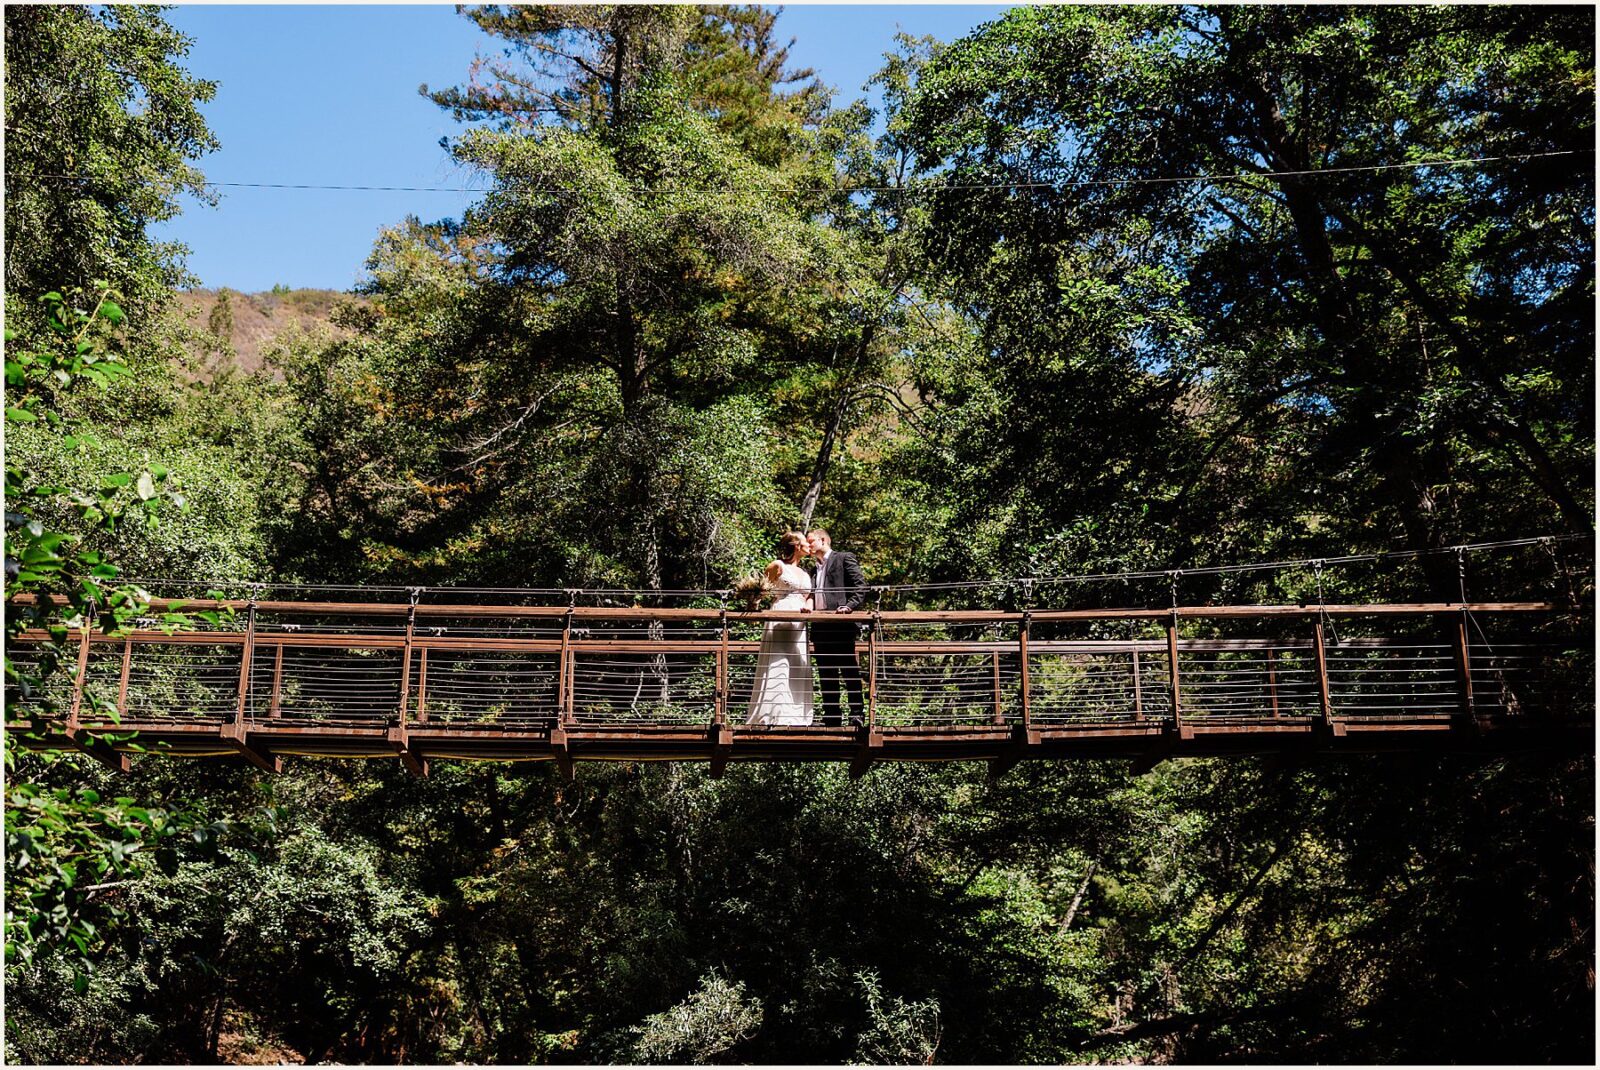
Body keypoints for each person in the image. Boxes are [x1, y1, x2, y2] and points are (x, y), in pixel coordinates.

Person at [746, 532, 815, 726]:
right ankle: (773, 714)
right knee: (779, 661)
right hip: (780, 614)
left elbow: (809, 596)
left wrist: (808, 606)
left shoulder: (805, 573)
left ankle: (795, 716)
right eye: (805, 542)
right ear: (796, 545)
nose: (809, 545)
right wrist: (753, 607)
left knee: (796, 662)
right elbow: (759, 590)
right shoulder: (778, 565)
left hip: (799, 621)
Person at [804, 528, 867, 727]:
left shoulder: (843, 558)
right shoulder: (814, 569)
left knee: (848, 670)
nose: (808, 545)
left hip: (841, 624)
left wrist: (849, 606)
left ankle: (856, 714)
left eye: (811, 541)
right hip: (820, 626)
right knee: (826, 672)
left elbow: (860, 586)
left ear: (823, 540)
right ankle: (832, 716)